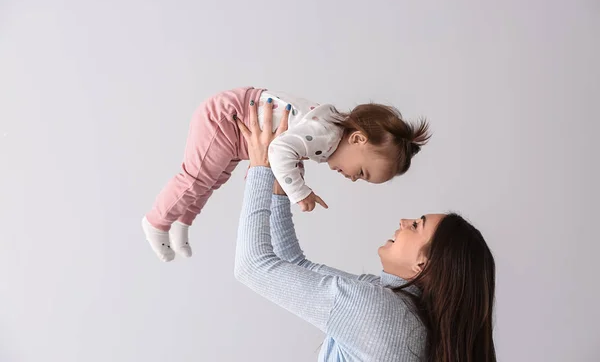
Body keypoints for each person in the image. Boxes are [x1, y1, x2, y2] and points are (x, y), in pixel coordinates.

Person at [234, 101, 497, 362]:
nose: (405, 221)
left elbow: (252, 266)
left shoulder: (378, 309)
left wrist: (261, 167)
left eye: (417, 225)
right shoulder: (397, 306)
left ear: (423, 263)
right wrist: (279, 190)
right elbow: (294, 264)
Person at [142, 87, 430, 262]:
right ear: (357, 139)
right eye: (363, 172)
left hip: (238, 127)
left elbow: (288, 151)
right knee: (196, 178)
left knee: (213, 180)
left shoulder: (325, 133)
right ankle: (156, 222)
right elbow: (280, 151)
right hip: (228, 117)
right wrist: (299, 192)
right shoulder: (326, 133)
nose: (354, 178)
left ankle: (182, 221)